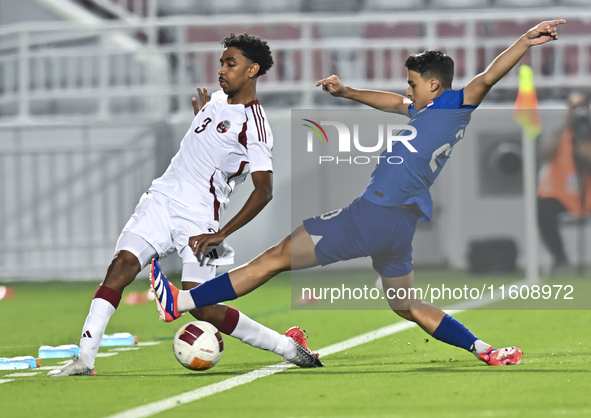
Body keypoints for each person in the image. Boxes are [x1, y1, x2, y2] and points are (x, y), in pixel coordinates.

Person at [152, 20, 566, 367]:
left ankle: (183, 301)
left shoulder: (458, 103)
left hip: (373, 214)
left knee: (276, 257)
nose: (408, 91)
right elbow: (390, 102)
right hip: (398, 224)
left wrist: (525, 41)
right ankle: (485, 350)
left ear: (436, 85)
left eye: (413, 84)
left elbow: (489, 75)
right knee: (406, 305)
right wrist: (348, 92)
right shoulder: (428, 109)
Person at [49, 33, 317, 377]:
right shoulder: (216, 102)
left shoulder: (255, 124)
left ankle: (286, 346)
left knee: (200, 305)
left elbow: (264, 191)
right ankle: (84, 358)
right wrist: (200, 120)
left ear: (252, 70)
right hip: (160, 200)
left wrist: (222, 233)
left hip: (199, 217)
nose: (221, 69)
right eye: (221, 62)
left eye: (230, 63)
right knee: (121, 266)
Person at [538, 92, 591, 276]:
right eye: (573, 107)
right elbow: (546, 153)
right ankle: (560, 259)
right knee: (543, 207)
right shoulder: (562, 133)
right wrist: (566, 127)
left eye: (582, 106)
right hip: (564, 195)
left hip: (589, 195)